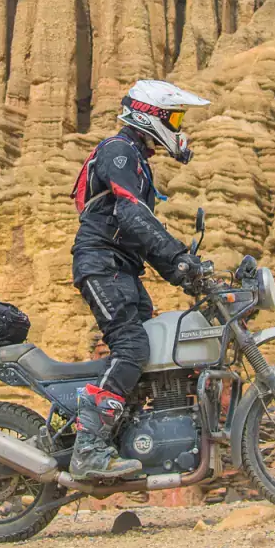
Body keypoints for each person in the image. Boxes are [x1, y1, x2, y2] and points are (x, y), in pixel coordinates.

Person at [68, 79, 216, 481]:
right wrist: (180, 257)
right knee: (131, 345)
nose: (180, 125)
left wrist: (185, 272)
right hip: (101, 264)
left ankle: (126, 437)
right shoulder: (119, 151)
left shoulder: (137, 160)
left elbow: (142, 237)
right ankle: (89, 450)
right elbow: (133, 217)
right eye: (175, 117)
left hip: (121, 268)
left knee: (150, 347)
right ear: (150, 116)